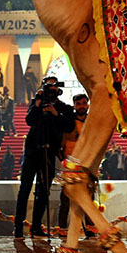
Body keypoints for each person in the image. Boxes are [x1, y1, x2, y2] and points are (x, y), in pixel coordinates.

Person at [13, 76, 75, 238]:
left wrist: (55, 113)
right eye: (48, 87)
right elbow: (29, 121)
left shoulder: (64, 108)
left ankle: (36, 227)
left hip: (49, 152)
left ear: (58, 90)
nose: (51, 91)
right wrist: (38, 103)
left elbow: (69, 125)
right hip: (33, 150)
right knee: (25, 189)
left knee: (43, 190)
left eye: (53, 88)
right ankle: (18, 227)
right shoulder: (36, 105)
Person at [57, 94, 94, 235]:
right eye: (78, 104)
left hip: (88, 165)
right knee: (66, 199)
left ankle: (90, 230)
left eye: (84, 103)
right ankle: (62, 229)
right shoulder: (68, 122)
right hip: (70, 166)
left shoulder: (92, 121)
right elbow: (62, 142)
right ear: (74, 105)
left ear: (88, 105)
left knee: (89, 199)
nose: (81, 106)